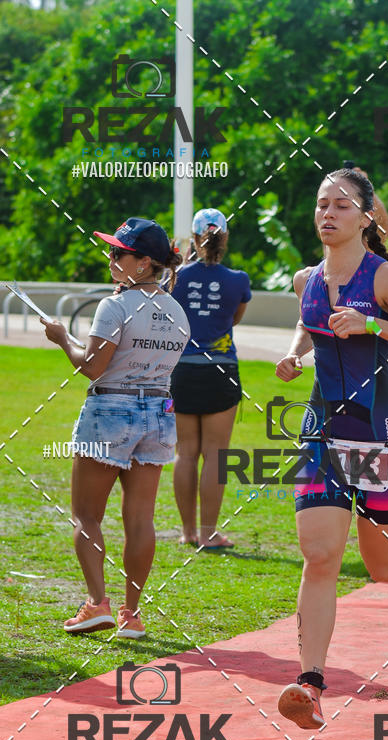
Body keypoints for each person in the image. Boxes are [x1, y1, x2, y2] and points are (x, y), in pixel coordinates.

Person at [275, 168, 388, 729]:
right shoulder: (306, 279)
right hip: (321, 433)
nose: (328, 214)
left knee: (379, 565)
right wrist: (295, 354)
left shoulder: (384, 279)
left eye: (342, 206)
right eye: (322, 205)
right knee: (321, 555)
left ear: (366, 218)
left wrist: (375, 325)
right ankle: (310, 684)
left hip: (379, 439)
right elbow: (310, 326)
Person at [42, 217, 189, 637]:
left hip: (112, 410)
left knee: (86, 515)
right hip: (159, 413)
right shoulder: (177, 311)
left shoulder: (115, 305)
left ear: (144, 262)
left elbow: (91, 368)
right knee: (140, 519)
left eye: (118, 252)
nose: (110, 258)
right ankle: (132, 613)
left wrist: (60, 338)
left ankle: (97, 604)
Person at [170, 208, 251, 549]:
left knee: (185, 454)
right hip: (220, 371)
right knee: (215, 455)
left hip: (182, 370)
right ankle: (208, 532)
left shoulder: (176, 277)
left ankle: (187, 531)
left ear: (193, 237)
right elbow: (234, 320)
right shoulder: (239, 280)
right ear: (226, 238)